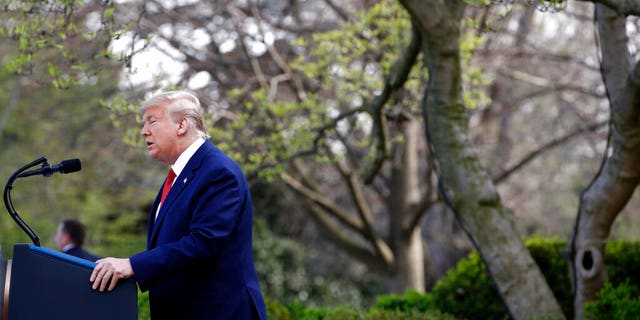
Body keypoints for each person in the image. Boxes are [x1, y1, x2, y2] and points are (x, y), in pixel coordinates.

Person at [89, 90, 267, 320]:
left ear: (182, 125)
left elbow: (204, 243)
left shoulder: (218, 172)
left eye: (152, 121)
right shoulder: (181, 174)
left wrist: (133, 265)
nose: (144, 131)